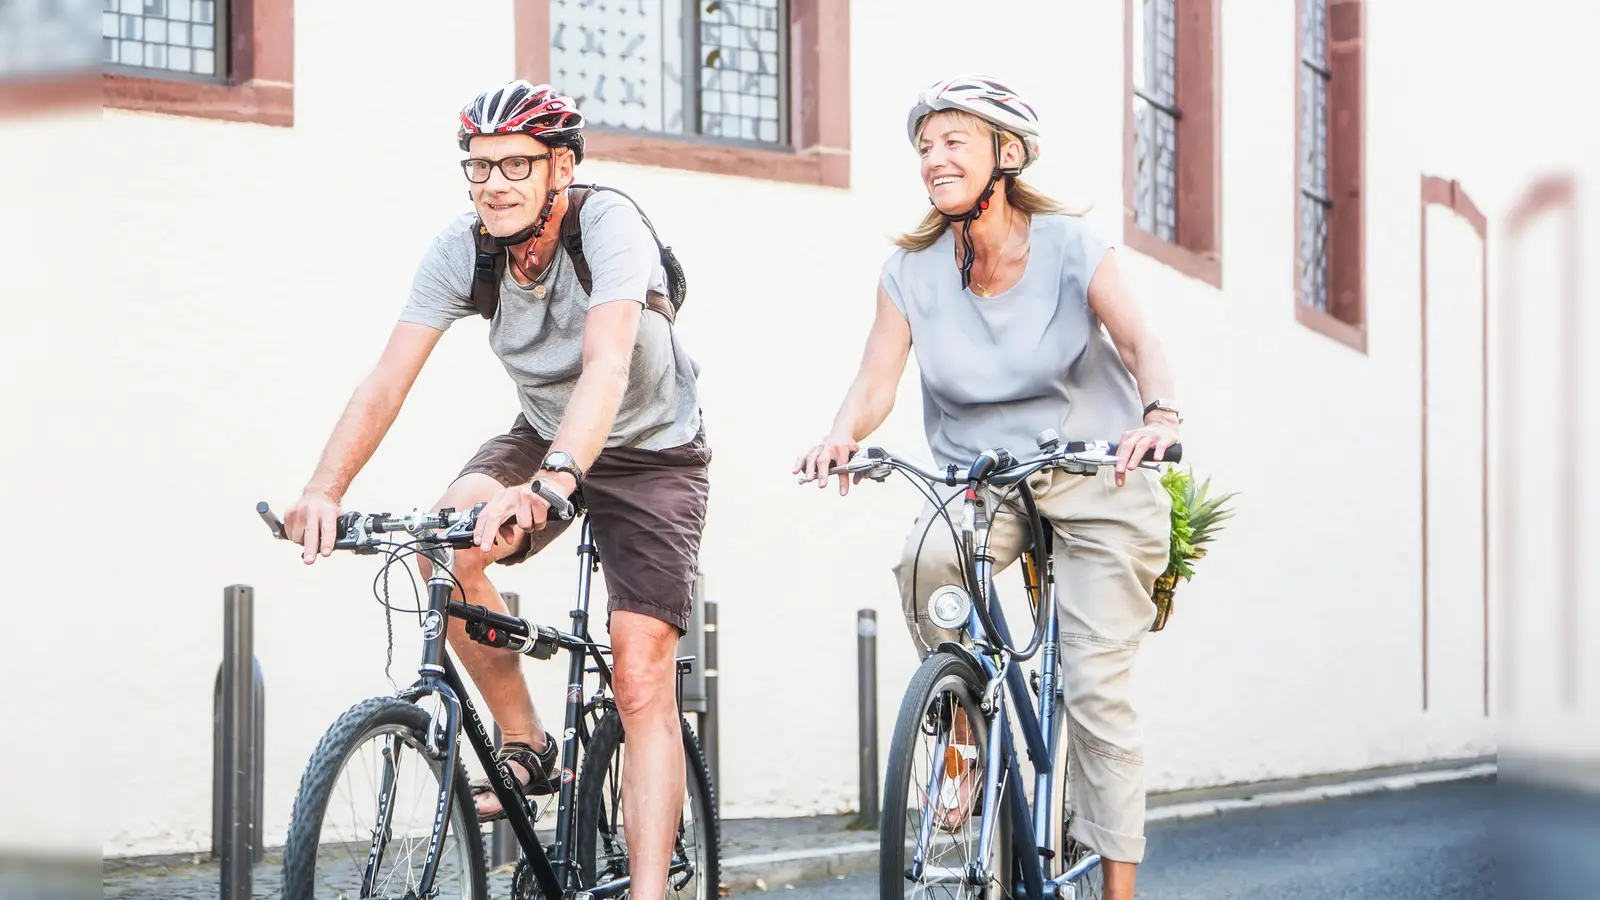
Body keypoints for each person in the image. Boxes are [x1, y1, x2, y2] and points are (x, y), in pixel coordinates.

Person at [282, 80, 710, 900]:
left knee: (640, 670)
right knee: (442, 543)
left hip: (654, 453)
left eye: (516, 164)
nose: (494, 184)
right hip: (543, 431)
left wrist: (556, 481)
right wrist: (324, 489)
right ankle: (527, 741)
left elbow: (607, 364)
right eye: (478, 166)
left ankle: (651, 891)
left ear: (561, 168)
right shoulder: (464, 249)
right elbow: (387, 378)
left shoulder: (610, 225)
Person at [793, 74, 1179, 900]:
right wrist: (841, 434)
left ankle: (1118, 888)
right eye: (924, 146)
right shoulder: (910, 272)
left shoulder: (1070, 246)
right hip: (987, 481)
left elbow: (1142, 339)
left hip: (1097, 477)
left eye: (952, 142)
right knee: (925, 560)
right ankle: (962, 733)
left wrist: (1160, 416)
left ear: (1006, 155)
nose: (933, 159)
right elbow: (876, 378)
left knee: (1096, 691)